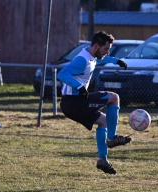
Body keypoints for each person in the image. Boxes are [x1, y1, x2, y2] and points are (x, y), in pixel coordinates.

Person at [57, 31, 132, 175]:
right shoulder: (82, 60)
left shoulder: (90, 54)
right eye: (105, 49)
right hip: (74, 102)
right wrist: (78, 86)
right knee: (114, 98)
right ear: (96, 46)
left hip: (72, 104)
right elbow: (62, 74)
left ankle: (102, 160)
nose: (107, 52)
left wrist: (116, 61)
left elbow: (102, 59)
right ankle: (112, 138)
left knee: (104, 122)